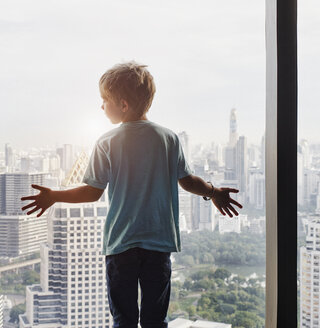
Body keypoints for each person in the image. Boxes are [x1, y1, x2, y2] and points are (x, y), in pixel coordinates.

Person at [21, 61, 242, 328]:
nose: (101, 107)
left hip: (121, 244)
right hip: (158, 244)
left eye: (105, 100)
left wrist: (55, 196)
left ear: (123, 105)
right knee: (154, 319)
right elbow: (187, 181)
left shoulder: (106, 142)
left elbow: (92, 192)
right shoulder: (168, 138)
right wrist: (214, 192)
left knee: (123, 319)